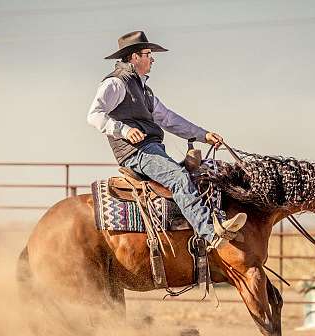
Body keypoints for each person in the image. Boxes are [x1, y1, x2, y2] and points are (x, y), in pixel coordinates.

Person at [87, 31, 246, 249]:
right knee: (179, 178)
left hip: (149, 149)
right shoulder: (116, 83)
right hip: (136, 152)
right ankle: (210, 233)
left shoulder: (144, 91)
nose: (152, 59)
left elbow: (168, 118)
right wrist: (124, 130)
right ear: (135, 57)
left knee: (202, 174)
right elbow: (94, 114)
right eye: (148, 54)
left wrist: (203, 135)